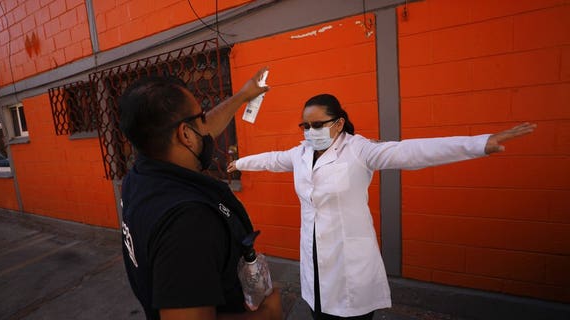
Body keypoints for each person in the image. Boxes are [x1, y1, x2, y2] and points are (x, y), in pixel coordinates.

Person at [227, 93, 536, 320]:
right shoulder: (302, 153)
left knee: (352, 316)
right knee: (318, 312)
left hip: (350, 262)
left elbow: (411, 152)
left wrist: (479, 144)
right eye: (305, 126)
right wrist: (239, 162)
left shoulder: (359, 149)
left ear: (339, 124)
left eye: (317, 124)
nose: (310, 132)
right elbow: (272, 159)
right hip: (315, 259)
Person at [118, 68, 282, 320]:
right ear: (185, 134)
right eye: (202, 117)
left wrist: (242, 96)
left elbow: (200, 131)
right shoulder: (188, 222)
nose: (207, 123)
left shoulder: (139, 177)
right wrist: (267, 315)